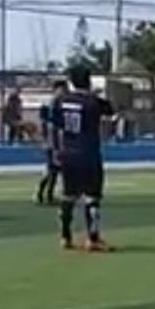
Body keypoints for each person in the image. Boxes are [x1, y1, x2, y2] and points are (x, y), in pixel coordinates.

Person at [51, 65, 114, 252]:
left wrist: (56, 149)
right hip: (89, 154)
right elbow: (110, 111)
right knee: (92, 197)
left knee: (68, 195)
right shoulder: (93, 102)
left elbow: (55, 124)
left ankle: (65, 236)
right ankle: (93, 238)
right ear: (89, 80)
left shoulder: (61, 101)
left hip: (68, 153)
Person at [36, 78, 68, 205]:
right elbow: (49, 125)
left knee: (53, 169)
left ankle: (45, 195)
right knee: (52, 169)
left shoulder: (57, 104)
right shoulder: (53, 104)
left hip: (56, 141)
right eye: (63, 89)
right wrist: (48, 141)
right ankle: (43, 195)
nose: (65, 91)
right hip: (53, 142)